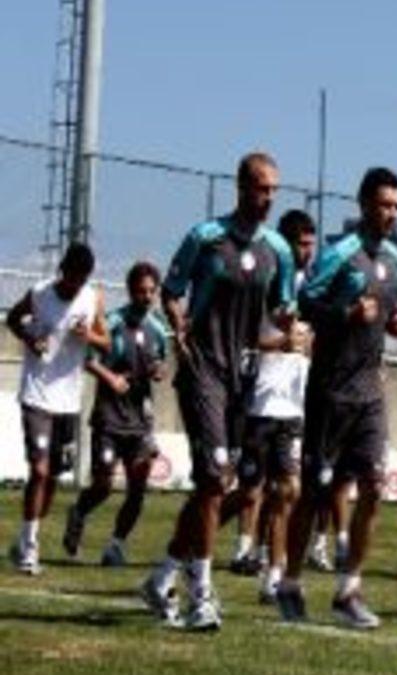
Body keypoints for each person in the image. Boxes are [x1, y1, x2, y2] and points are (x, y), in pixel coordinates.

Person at [141, 152, 295, 631]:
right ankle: (201, 595)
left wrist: (291, 327)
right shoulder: (206, 237)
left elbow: (278, 312)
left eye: (273, 190)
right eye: (261, 188)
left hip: (243, 378)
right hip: (202, 369)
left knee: (218, 485)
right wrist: (178, 322)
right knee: (213, 481)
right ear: (241, 187)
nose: (267, 197)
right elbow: (171, 290)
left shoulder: (278, 250)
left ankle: (161, 576)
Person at [276, 167, 397, 629]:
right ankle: (290, 582)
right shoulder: (339, 254)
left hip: (370, 390)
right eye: (384, 204)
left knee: (374, 486)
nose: (391, 213)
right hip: (331, 390)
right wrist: (346, 314)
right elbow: (306, 304)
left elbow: (389, 306)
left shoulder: (395, 256)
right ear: (364, 204)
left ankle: (349, 589)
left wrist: (394, 321)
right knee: (315, 492)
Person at [219, 209, 318, 602]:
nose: (308, 251)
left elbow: (312, 338)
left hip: (293, 407)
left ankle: (274, 577)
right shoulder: (264, 283)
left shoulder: (314, 288)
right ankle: (196, 535)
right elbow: (243, 336)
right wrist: (281, 343)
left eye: (311, 244)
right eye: (302, 244)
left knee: (287, 491)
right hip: (259, 403)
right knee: (248, 493)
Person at [6, 243, 108, 575]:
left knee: (51, 477)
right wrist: (29, 338)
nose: (76, 284)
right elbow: (13, 319)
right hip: (36, 394)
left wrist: (88, 335)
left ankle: (24, 538)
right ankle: (29, 549)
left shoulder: (92, 299)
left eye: (82, 279)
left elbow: (106, 341)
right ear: (63, 271)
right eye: (72, 277)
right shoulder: (40, 293)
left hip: (68, 400)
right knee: (38, 470)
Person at [62, 261, 168, 567]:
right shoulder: (113, 322)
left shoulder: (158, 327)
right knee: (104, 485)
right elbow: (88, 359)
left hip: (139, 421)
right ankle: (79, 511)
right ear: (130, 291)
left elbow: (161, 362)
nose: (147, 297)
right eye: (141, 291)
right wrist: (111, 378)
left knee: (138, 486)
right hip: (109, 416)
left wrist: (158, 371)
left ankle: (115, 546)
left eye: (151, 291)